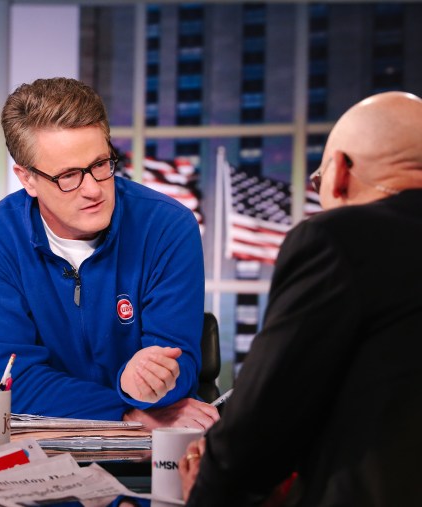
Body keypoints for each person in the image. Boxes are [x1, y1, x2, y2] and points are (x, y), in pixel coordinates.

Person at [179, 91, 422, 505]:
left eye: (318, 179)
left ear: (341, 171)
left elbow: (260, 427)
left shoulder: (342, 237)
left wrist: (206, 492)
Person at [0, 77, 218, 429]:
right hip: (54, 438)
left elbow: (181, 364)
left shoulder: (168, 226)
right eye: (68, 176)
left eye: (100, 164)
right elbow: (12, 381)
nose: (93, 189)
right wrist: (126, 414)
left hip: (154, 440)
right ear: (28, 179)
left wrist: (148, 381)